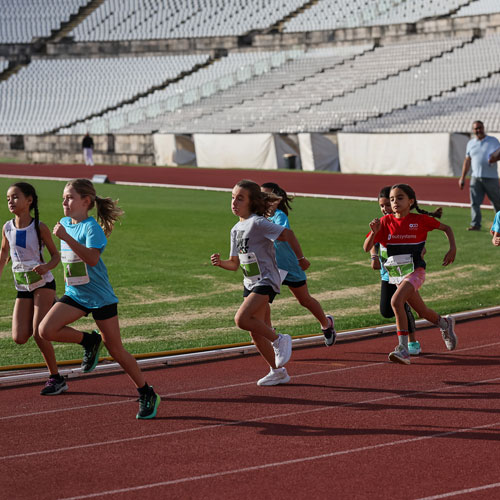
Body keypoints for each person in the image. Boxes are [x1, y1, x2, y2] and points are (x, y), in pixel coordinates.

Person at [39, 179, 160, 419]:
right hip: (76, 294)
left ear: (86, 202)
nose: (64, 201)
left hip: (100, 297)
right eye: (63, 197)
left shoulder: (90, 228)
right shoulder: (64, 223)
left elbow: (92, 259)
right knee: (45, 329)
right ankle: (89, 342)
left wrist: (66, 237)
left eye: (69, 197)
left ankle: (146, 392)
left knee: (116, 349)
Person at [211, 179, 309, 386]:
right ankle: (278, 370)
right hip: (250, 281)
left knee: (241, 319)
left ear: (252, 202)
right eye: (232, 198)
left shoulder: (257, 222)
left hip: (266, 280)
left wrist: (300, 259)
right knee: (255, 331)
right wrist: (221, 263)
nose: (234, 202)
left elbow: (287, 234)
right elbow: (235, 264)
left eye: (240, 198)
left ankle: (279, 339)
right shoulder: (236, 229)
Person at [363, 183, 457, 365]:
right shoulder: (385, 222)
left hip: (416, 271)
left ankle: (403, 349)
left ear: (411, 201)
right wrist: (373, 234)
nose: (395, 202)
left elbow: (447, 229)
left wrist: (452, 248)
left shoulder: (420, 220)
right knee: (421, 311)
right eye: (392, 199)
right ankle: (445, 324)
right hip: (397, 273)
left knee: (396, 301)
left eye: (399, 198)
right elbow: (366, 247)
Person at [0, 182, 64, 395]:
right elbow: (3, 254)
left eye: (15, 197)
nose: (10, 201)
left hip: (43, 284)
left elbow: (56, 256)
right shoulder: (7, 227)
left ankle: (56, 378)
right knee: (19, 337)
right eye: (8, 197)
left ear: (29, 201)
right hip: (23, 286)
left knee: (39, 334)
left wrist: (46, 266)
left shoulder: (39, 227)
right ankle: (50, 311)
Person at [260, 182, 336, 346]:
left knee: (304, 300)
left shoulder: (279, 216)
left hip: (289, 266)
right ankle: (270, 334)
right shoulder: (259, 217)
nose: (262, 199)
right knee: (263, 299)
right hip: (272, 268)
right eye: (260, 196)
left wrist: (301, 259)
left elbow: (284, 234)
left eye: (266, 196)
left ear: (276, 200)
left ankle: (326, 323)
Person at [369, 186, 421, 355]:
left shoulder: (401, 222)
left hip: (403, 272)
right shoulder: (381, 223)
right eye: (381, 206)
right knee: (386, 311)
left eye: (387, 205)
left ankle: (412, 342)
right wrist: (374, 257)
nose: (385, 209)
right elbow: (372, 243)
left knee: (401, 304)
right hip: (387, 273)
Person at [458, 120, 500, 231]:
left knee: (497, 202)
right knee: (474, 203)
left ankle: (499, 225)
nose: (478, 130)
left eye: (480, 128)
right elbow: (467, 161)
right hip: (475, 177)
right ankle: (475, 225)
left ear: (483, 128)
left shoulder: (493, 141)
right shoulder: (471, 143)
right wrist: (462, 177)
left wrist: (495, 158)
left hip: (491, 178)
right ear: (473, 130)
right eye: (476, 129)